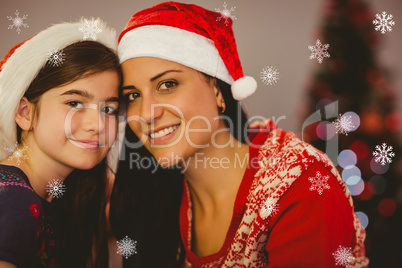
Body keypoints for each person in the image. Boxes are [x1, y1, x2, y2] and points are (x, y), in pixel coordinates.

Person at [111, 2, 369, 267]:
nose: (146, 113)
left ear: (217, 90)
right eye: (132, 96)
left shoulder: (302, 186)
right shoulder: (154, 193)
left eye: (167, 84)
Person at [0, 19, 121, 267]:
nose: (97, 124)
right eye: (74, 103)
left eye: (109, 108)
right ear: (25, 112)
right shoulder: (14, 201)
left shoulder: (61, 194)